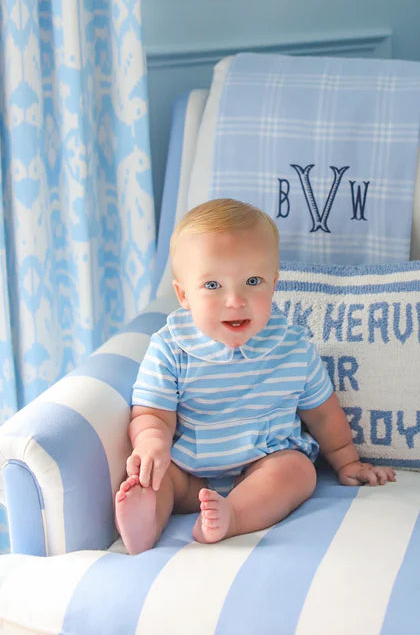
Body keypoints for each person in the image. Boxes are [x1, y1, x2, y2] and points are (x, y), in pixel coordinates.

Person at [115, 198, 396, 554]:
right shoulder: (170, 347)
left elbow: (324, 414)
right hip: (190, 472)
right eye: (213, 285)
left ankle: (233, 516)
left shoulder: (293, 347)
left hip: (266, 462)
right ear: (183, 295)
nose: (235, 300)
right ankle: (146, 521)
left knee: (297, 471)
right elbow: (152, 414)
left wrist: (347, 460)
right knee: (158, 476)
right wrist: (151, 443)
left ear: (273, 284)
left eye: (252, 281)